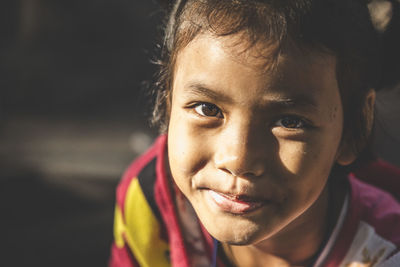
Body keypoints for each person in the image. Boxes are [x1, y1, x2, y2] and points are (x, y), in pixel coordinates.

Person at [110, 0, 400, 266]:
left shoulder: (386, 254)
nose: (239, 160)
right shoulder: (153, 200)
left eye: (290, 121)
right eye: (207, 109)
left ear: (354, 129)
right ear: (168, 102)